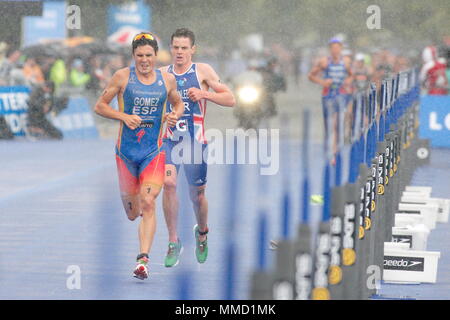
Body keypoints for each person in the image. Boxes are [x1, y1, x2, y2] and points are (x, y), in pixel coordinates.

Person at [94, 32, 184, 280]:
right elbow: (99, 106)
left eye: (149, 55)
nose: (144, 60)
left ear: (156, 56)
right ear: (133, 56)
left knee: (148, 202)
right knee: (133, 212)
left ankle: (143, 259)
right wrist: (123, 117)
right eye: (139, 56)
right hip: (125, 154)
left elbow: (178, 104)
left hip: (153, 153)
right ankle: (141, 225)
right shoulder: (122, 77)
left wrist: (173, 115)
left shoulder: (167, 80)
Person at [160, 28, 235, 267]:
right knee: (169, 184)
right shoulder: (162, 74)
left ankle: (202, 232)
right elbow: (156, 108)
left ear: (193, 49)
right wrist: (165, 117)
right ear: (170, 48)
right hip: (170, 139)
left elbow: (230, 99)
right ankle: (173, 241)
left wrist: (204, 93)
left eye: (184, 48)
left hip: (195, 142)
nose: (179, 52)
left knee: (197, 195)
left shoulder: (202, 71)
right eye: (175, 47)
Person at [308, 38, 352, 163]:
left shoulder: (346, 61)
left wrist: (347, 82)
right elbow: (311, 76)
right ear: (330, 49)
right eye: (333, 47)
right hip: (328, 96)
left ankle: (336, 149)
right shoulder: (324, 62)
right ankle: (329, 150)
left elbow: (351, 75)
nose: (335, 50)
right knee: (329, 123)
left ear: (341, 48)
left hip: (341, 95)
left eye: (337, 47)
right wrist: (323, 82)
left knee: (339, 122)